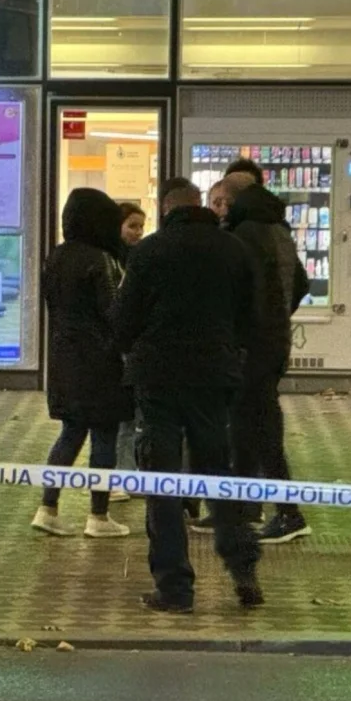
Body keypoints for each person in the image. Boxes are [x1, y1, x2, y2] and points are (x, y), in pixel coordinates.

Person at [112, 177, 262, 612]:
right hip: (214, 380)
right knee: (218, 474)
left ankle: (174, 587)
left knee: (163, 483)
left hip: (158, 380)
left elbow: (123, 321)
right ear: (202, 206)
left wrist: (136, 350)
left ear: (165, 209)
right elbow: (253, 317)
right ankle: (244, 570)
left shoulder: (149, 252)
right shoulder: (234, 250)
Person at [31, 188, 133, 539]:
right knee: (104, 433)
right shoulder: (100, 259)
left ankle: (48, 507)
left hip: (63, 358)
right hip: (100, 361)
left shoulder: (56, 257)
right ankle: (98, 515)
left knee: (70, 433)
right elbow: (114, 312)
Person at [221, 171, 312, 543]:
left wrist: (240, 332)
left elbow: (242, 295)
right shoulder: (279, 230)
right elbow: (301, 283)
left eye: (223, 201)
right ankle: (245, 508)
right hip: (273, 343)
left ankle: (288, 513)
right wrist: (278, 317)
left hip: (252, 347)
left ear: (234, 200)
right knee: (248, 426)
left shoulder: (245, 235)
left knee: (261, 429)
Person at [114, 203, 146, 477]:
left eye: (141, 227)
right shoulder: (111, 259)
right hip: (120, 349)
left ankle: (130, 468)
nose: (138, 232)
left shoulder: (141, 258)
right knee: (123, 416)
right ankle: (122, 471)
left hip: (134, 346)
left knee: (135, 415)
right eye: (132, 226)